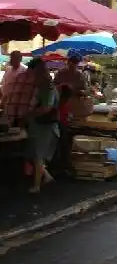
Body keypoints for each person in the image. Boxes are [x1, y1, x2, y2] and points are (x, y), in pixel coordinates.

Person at [25, 59, 59, 193]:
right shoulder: (43, 86)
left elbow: (46, 108)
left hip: (44, 126)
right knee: (33, 154)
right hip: (39, 125)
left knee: (38, 155)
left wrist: (30, 114)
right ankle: (47, 177)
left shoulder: (47, 87)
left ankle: (36, 186)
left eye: (32, 73)